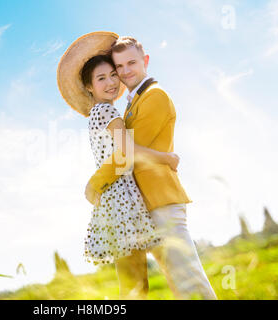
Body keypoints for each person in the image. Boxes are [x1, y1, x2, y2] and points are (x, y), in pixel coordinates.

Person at [84, 36, 218, 300]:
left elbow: (127, 155)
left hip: (161, 202)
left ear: (145, 62)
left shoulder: (154, 96)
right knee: (174, 287)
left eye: (130, 63)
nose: (124, 72)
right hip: (145, 207)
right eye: (119, 67)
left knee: (189, 284)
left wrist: (94, 183)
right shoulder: (131, 104)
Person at [57, 32, 179, 299]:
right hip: (122, 200)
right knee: (137, 286)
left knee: (132, 283)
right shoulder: (109, 112)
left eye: (113, 75)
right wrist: (167, 158)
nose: (112, 82)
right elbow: (127, 152)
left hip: (115, 200)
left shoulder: (96, 114)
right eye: (101, 79)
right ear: (89, 87)